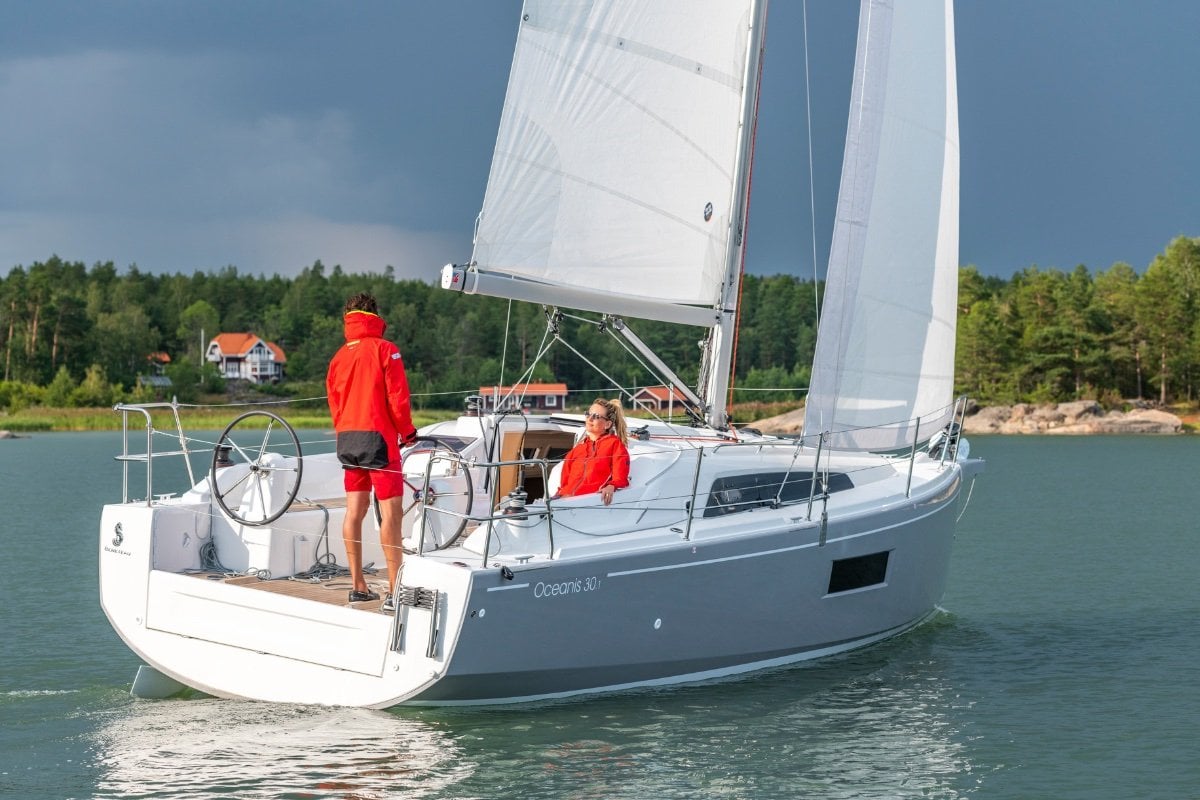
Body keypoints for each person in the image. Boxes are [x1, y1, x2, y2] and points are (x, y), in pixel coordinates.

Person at [326, 292, 418, 606]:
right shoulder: (386, 349)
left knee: (354, 510)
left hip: (348, 438)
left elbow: (335, 403)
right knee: (391, 514)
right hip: (379, 439)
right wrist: (407, 432)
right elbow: (397, 398)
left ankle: (359, 586)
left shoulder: (338, 357)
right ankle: (394, 590)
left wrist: (344, 430)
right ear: (375, 316)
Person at [555, 398, 631, 505]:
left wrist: (611, 486)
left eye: (596, 416)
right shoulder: (578, 449)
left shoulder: (614, 445)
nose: (590, 418)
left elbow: (620, 477)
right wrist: (560, 496)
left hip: (589, 502)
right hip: (565, 501)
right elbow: (565, 482)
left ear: (607, 424)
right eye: (588, 414)